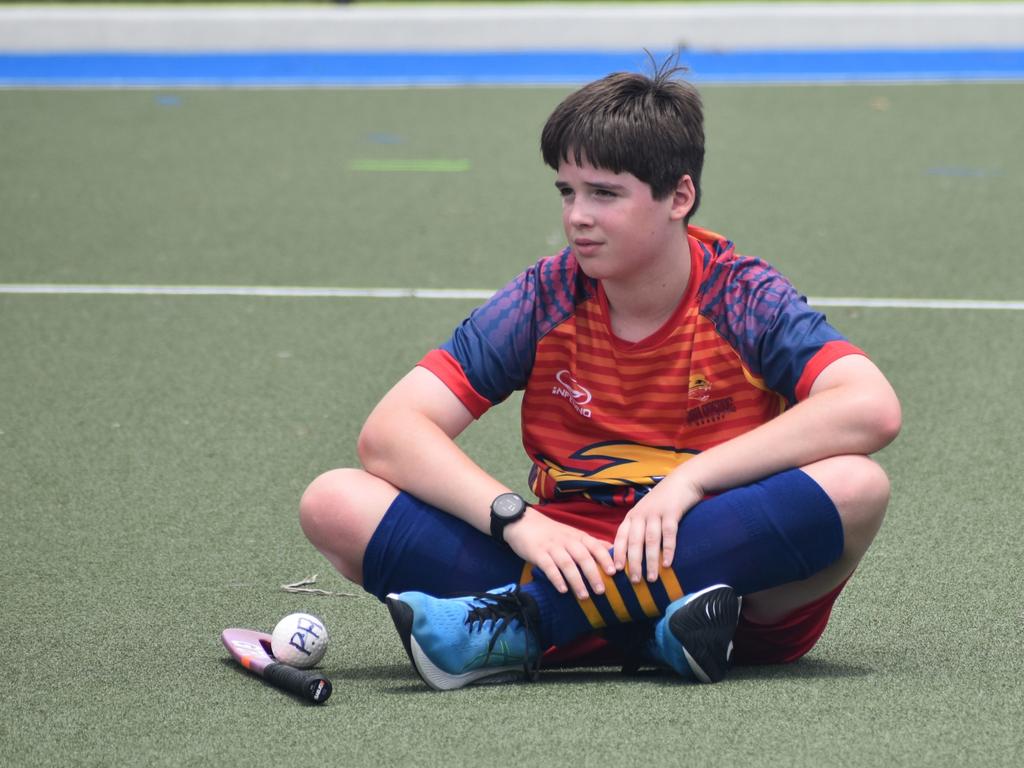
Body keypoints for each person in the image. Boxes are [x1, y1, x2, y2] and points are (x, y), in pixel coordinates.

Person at [299, 62, 901, 691]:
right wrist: (518, 520)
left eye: (604, 194)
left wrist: (690, 481)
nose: (577, 217)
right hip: (569, 558)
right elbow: (390, 432)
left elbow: (871, 408)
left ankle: (528, 625)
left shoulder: (742, 295)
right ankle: (651, 635)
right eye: (567, 192)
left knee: (857, 485)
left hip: (721, 574)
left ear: (680, 198)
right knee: (335, 501)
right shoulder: (545, 296)